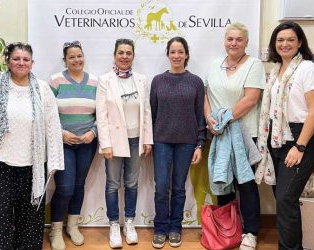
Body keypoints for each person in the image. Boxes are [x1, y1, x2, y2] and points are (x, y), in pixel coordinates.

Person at [0, 42, 64, 249]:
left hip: (33, 166)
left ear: (32, 63)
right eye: (16, 58)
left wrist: (55, 161)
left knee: (30, 219)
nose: (21, 63)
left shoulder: (42, 89)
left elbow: (53, 126)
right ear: (8, 61)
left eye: (25, 59)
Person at [257, 21, 314, 250]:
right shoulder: (276, 71)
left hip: (299, 138)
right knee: (284, 199)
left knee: (286, 199)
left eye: (290, 40)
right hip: (276, 138)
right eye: (280, 40)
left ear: (300, 42)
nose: (284, 44)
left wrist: (300, 146)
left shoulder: (308, 69)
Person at [203, 22, 266, 250]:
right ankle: (227, 229)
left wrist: (224, 119)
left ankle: (250, 232)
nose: (234, 43)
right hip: (219, 134)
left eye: (239, 39)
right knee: (223, 182)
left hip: (244, 134)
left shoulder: (254, 65)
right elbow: (206, 94)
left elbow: (251, 99)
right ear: (224, 41)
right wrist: (209, 117)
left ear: (246, 42)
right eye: (230, 39)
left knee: (246, 184)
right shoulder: (214, 65)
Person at [96, 38, 153, 249]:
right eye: (121, 52)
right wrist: (105, 143)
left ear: (133, 56)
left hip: (136, 139)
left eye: (129, 53)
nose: (124, 56)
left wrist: (148, 138)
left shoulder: (141, 80)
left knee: (131, 183)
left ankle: (129, 223)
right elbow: (101, 115)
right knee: (112, 184)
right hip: (114, 140)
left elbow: (146, 111)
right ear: (114, 55)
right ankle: (113, 225)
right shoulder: (105, 80)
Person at [150, 36, 205, 249]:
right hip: (161, 141)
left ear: (186, 55)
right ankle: (160, 228)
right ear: (167, 55)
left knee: (179, 188)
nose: (176, 56)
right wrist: (149, 141)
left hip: (187, 142)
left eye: (180, 52)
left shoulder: (196, 82)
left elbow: (199, 115)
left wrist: (199, 144)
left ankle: (175, 228)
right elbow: (152, 114)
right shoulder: (158, 81)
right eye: (172, 52)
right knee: (161, 187)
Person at [48, 41, 98, 250]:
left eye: (79, 56)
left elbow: (102, 113)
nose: (76, 60)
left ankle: (72, 225)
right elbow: (47, 114)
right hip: (63, 144)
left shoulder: (94, 82)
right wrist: (61, 134)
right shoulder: (56, 81)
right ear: (65, 60)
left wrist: (92, 132)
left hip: (87, 143)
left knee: (78, 185)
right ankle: (55, 230)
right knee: (65, 187)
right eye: (71, 57)